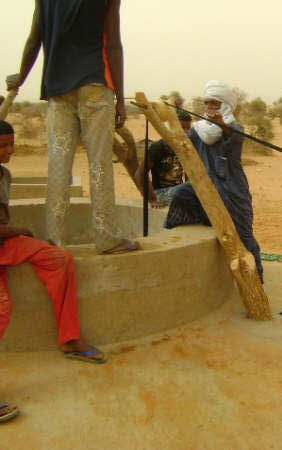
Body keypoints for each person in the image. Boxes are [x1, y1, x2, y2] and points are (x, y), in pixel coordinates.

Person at [6, 0, 138, 254]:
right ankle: (107, 238)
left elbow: (35, 37)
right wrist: (120, 98)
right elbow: (112, 44)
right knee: (100, 164)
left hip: (57, 90)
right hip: (95, 86)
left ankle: (55, 239)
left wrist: (20, 76)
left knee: (58, 166)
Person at [0, 121, 106, 423]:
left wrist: (22, 237)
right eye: (3, 145)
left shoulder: (4, 175)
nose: (10, 151)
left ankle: (70, 339)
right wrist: (22, 231)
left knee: (59, 259)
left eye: (11, 143)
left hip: (4, 242)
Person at [165, 80, 264, 282]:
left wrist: (222, 125)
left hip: (231, 187)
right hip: (204, 184)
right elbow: (182, 142)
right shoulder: (198, 129)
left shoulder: (235, 127)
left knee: (243, 234)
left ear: (225, 105)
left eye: (214, 104)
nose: (210, 108)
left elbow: (232, 135)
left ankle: (256, 279)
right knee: (180, 194)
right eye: (207, 103)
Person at [134, 110, 191, 208]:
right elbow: (139, 174)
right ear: (172, 128)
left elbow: (189, 175)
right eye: (182, 128)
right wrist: (152, 199)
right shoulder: (159, 147)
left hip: (180, 190)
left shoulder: (186, 147)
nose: (185, 132)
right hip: (161, 193)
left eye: (188, 128)